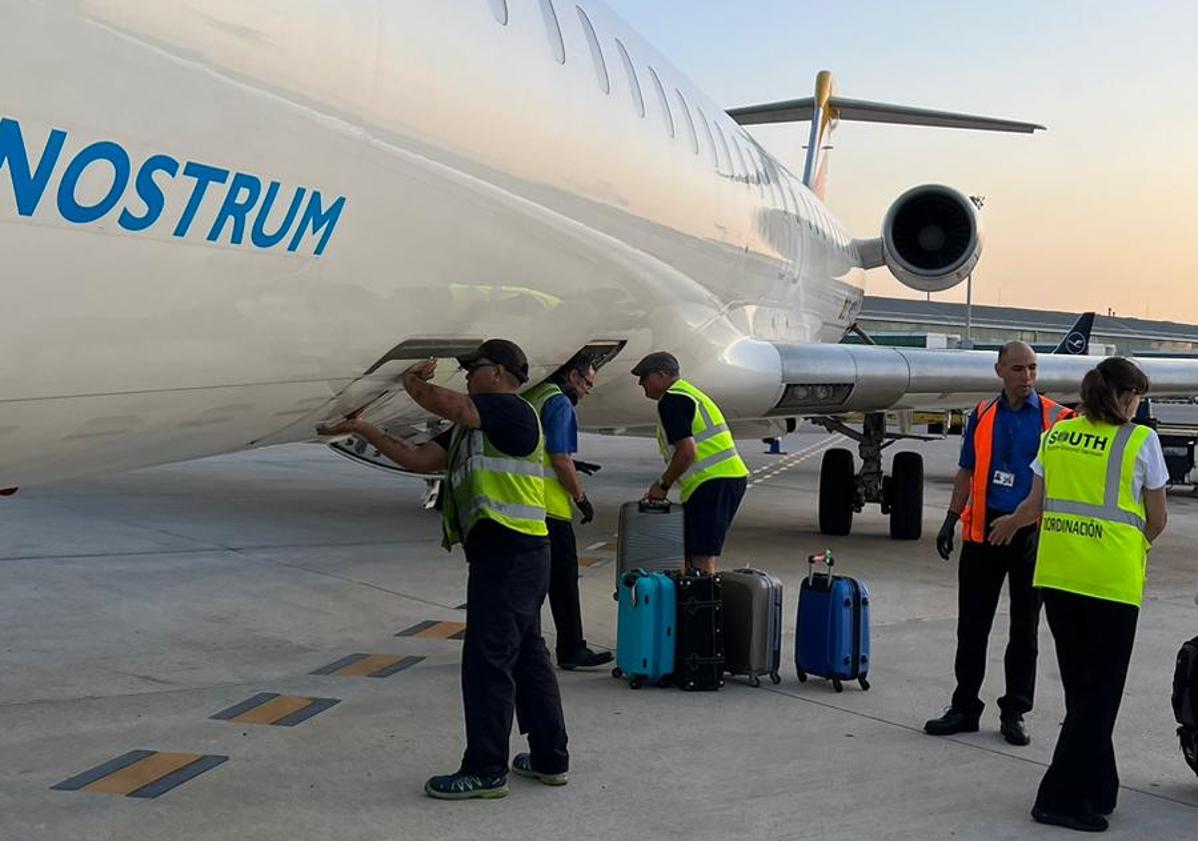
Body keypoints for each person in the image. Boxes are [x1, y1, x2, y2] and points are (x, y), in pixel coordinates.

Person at [317, 339, 568, 800]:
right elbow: (417, 459)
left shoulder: (511, 411)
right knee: (528, 657)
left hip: (510, 554)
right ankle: (551, 758)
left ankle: (486, 769)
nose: (468, 376)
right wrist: (365, 428)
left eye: (474, 369)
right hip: (518, 555)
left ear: (499, 373)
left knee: (488, 662)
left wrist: (412, 380)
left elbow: (448, 403)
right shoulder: (474, 428)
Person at [990, 357, 1167, 833]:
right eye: (1138, 397)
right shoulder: (1140, 441)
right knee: (1099, 696)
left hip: (1059, 579)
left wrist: (1010, 523)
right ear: (1123, 396)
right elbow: (1157, 518)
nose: (1139, 406)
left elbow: (1034, 505)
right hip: (1110, 582)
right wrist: (1127, 546)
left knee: (1083, 692)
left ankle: (1098, 784)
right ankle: (1058, 798)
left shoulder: (1059, 435)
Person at [925, 341, 1073, 746]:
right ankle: (964, 706)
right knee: (972, 625)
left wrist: (1023, 521)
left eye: (1033, 369)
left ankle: (1015, 711)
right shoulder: (983, 414)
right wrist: (951, 518)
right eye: (1018, 369)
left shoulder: (1056, 419)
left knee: (1024, 628)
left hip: (1031, 529)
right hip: (984, 529)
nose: (1027, 377)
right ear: (999, 371)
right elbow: (966, 470)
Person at [522, 353, 612, 670]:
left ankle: (516, 644)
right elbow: (559, 458)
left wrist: (574, 465)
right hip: (551, 509)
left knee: (527, 583)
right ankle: (572, 648)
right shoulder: (559, 403)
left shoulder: (535, 394)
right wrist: (580, 495)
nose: (587, 391)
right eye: (586, 382)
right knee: (563, 583)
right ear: (573, 376)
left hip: (523, 504)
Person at [631, 351, 749, 574]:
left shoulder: (673, 400)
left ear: (662, 375)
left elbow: (687, 451)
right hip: (716, 480)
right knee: (690, 554)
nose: (641, 384)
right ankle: (693, 604)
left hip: (713, 481)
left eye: (644, 377)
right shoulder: (686, 394)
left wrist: (662, 485)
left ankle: (704, 605)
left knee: (701, 557)